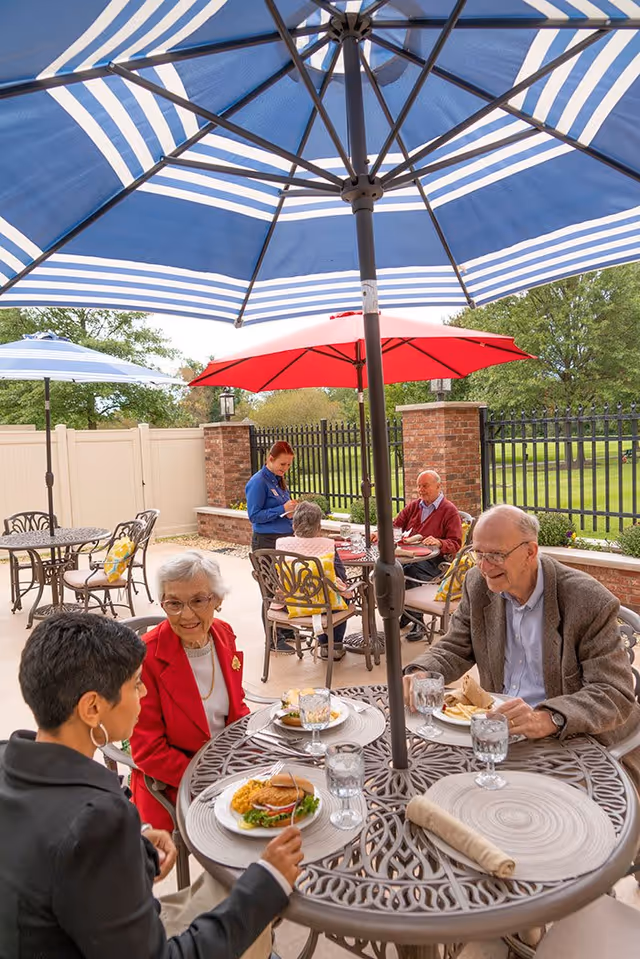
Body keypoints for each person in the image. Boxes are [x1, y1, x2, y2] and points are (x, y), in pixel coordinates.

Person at [0, 612, 303, 959]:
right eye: (136, 683)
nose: (144, 693)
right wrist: (269, 886)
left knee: (228, 879)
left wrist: (132, 848)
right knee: (253, 885)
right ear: (93, 707)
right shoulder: (97, 822)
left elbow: (59, 873)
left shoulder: (11, 763)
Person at [403, 504, 640, 790]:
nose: (484, 565)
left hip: (569, 739)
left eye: (496, 555)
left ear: (530, 552)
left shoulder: (586, 600)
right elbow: (456, 645)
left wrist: (548, 717)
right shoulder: (478, 584)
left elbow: (613, 693)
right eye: (478, 553)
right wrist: (423, 671)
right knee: (420, 782)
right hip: (497, 732)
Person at [130, 551, 249, 831]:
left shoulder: (224, 634)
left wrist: (249, 753)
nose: (186, 615)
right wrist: (210, 776)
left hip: (228, 767)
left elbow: (236, 708)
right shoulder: (146, 657)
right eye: (174, 603)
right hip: (174, 784)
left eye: (198, 600)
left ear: (217, 600)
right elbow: (148, 751)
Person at [376, 469, 462, 642]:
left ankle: (418, 622)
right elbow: (396, 525)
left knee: (409, 571)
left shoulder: (449, 510)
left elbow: (456, 543)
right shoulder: (415, 505)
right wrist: (382, 533)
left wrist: (439, 542)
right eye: (419, 486)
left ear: (438, 486)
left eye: (425, 486)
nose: (421, 490)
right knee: (390, 570)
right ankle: (406, 612)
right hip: (411, 555)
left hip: (436, 561)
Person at [276, 501, 354, 661]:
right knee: (342, 597)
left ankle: (324, 643)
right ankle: (333, 646)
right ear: (319, 527)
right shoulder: (328, 545)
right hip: (325, 606)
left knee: (327, 597)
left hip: (291, 605)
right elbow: (340, 574)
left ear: (294, 525)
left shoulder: (281, 544)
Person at [246, 440, 297, 653]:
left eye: (288, 465)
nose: (285, 469)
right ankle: (273, 639)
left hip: (282, 541)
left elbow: (280, 509)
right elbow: (254, 516)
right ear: (270, 459)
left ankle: (284, 630)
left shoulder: (277, 481)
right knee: (270, 590)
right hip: (266, 543)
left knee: (283, 588)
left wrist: (291, 510)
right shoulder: (258, 482)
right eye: (282, 464)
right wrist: (281, 509)